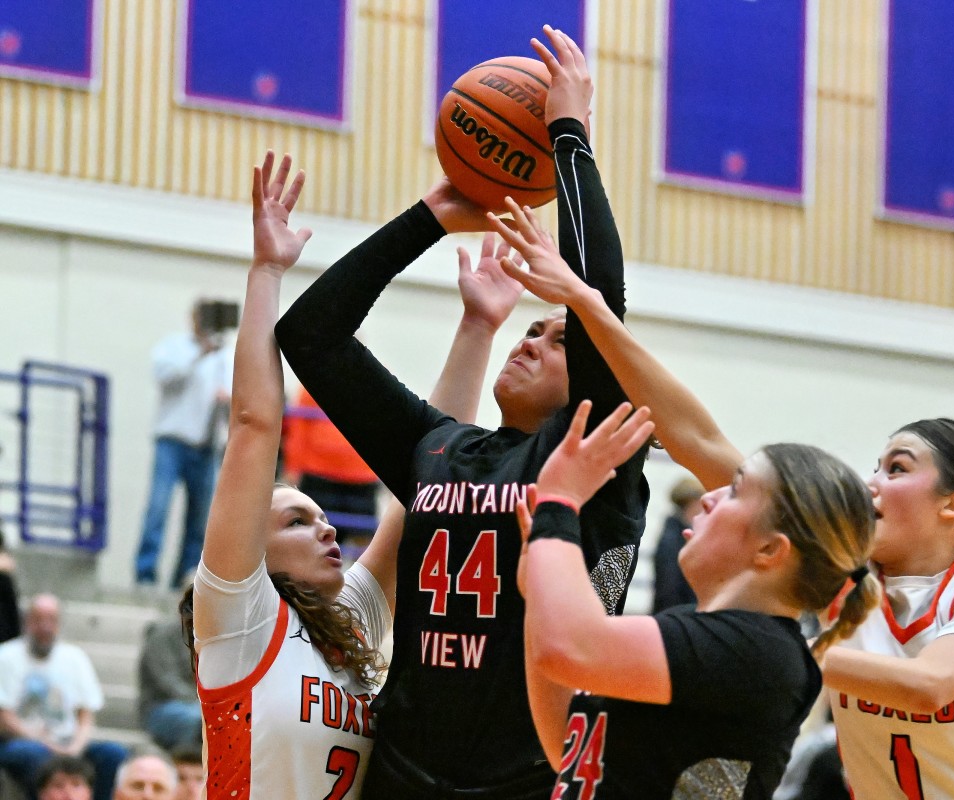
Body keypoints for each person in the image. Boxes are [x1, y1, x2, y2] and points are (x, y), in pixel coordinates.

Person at [489, 204, 954, 799]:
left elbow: (928, 685)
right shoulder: (841, 579)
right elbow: (694, 437)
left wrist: (763, 655)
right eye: (874, 466)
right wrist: (589, 306)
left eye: (898, 469)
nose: (871, 483)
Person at [275, 28, 649, 799]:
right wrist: (430, 216)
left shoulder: (593, 451)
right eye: (530, 327)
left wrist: (569, 134)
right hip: (404, 771)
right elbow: (309, 334)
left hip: (530, 775)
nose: (533, 339)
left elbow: (600, 295)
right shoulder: (437, 447)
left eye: (557, 337)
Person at [184, 151, 521, 800]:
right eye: (296, 519)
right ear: (251, 546)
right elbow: (255, 426)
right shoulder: (238, 617)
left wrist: (478, 327)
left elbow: (436, 477)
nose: (327, 525)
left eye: (319, 514)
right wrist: (266, 272)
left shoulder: (353, 624)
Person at [514, 400, 876, 798]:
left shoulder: (756, 651)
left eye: (736, 491)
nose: (708, 498)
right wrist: (537, 600)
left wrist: (559, 502)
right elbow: (568, 744)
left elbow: (569, 648)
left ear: (771, 549)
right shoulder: (712, 636)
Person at [133, 299, 233, 588]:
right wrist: (200, 353)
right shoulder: (174, 347)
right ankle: (145, 573)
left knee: (200, 519)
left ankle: (185, 577)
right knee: (158, 509)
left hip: (208, 446)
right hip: (172, 442)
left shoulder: (225, 356)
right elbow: (166, 377)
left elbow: (234, 394)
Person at [0, 594, 126, 800]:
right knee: (32, 755)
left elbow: (86, 715)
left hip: (68, 743)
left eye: (51, 620)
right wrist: (44, 743)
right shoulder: (6, 655)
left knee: (113, 754)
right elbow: (4, 717)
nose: (45, 627)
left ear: (59, 624)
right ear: (26, 622)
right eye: (38, 619)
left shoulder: (75, 658)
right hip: (20, 741)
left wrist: (75, 746)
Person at [281, 384, 381, 545]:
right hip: (319, 475)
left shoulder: (373, 377)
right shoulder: (313, 380)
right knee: (314, 539)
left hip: (362, 477)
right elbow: (299, 427)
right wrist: (293, 467)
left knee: (365, 544)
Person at [136, 613, 200, 752]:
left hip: (196, 705)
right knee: (199, 719)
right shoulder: (161, 635)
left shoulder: (211, 636)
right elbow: (168, 682)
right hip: (160, 707)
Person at [651, 476, 703, 612]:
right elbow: (669, 588)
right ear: (691, 503)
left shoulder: (676, 532)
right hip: (674, 615)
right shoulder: (673, 538)